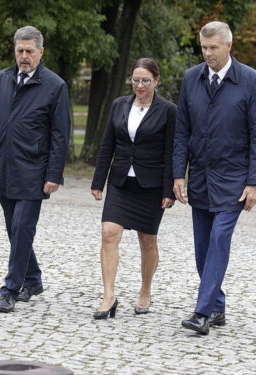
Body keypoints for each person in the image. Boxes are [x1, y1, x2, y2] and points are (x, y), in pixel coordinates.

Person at [173, 21, 256, 335]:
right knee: (202, 248)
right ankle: (217, 306)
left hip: (234, 180)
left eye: (213, 47)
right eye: (204, 48)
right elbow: (182, 131)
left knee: (218, 239)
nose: (208, 53)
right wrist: (178, 174)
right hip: (200, 176)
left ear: (229, 46)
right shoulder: (191, 78)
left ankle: (202, 313)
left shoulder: (251, 80)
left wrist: (255, 181)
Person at [0, 26, 71, 313]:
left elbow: (60, 135)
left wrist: (54, 174)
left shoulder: (55, 86)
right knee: (13, 229)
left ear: (41, 52)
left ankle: (10, 289)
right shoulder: (1, 80)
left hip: (34, 170)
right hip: (4, 167)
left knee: (21, 228)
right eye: (20, 51)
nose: (24, 56)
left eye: (30, 51)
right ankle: (33, 278)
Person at [90, 58, 176, 319]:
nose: (140, 85)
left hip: (151, 184)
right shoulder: (119, 105)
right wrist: (98, 181)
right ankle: (108, 296)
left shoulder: (169, 110)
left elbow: (172, 151)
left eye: (146, 81)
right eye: (136, 80)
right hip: (120, 182)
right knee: (109, 232)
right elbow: (108, 145)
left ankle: (145, 290)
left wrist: (169, 190)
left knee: (147, 240)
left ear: (157, 80)